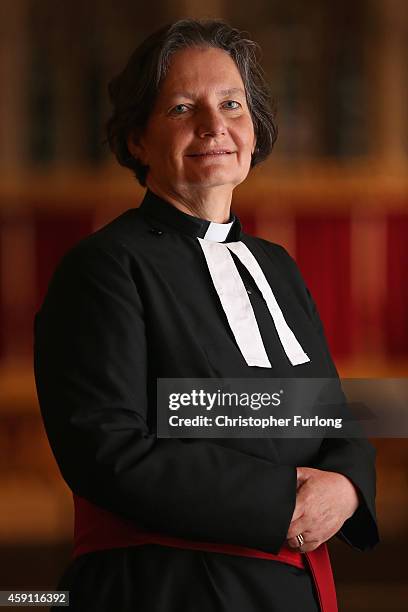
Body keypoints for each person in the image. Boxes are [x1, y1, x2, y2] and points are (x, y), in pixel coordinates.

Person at [34, 18, 379, 612]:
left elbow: (332, 420)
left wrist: (346, 487)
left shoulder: (277, 267)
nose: (214, 126)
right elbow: (109, 451)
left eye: (231, 104)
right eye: (181, 109)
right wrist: (282, 503)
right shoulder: (104, 268)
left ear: (255, 128)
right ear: (137, 138)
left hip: (290, 590)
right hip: (168, 588)